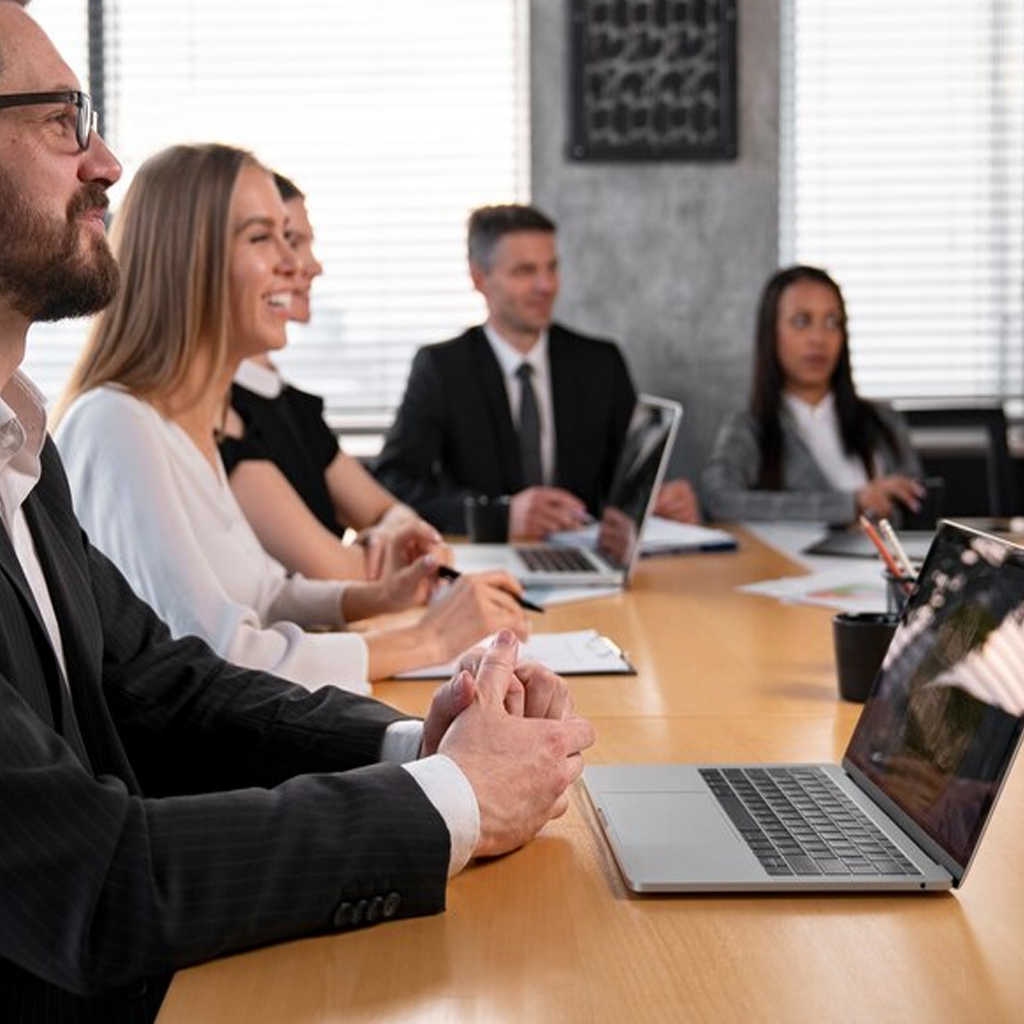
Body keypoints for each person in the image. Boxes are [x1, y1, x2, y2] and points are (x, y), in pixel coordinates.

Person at [0, 5, 595, 1020]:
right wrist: (454, 797)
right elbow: (89, 881)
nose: (106, 161)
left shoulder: (23, 446)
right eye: (63, 121)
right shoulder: (103, 428)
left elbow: (165, 685)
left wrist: (420, 741)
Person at [54, 143, 532, 689]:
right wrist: (429, 638)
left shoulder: (191, 427)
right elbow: (219, 656)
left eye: (290, 236)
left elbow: (266, 594)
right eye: (262, 238)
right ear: (188, 260)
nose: (296, 263)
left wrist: (380, 596)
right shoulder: (116, 424)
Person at [372, 203, 700, 540]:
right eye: (525, 271)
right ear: (479, 278)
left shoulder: (601, 363)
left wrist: (656, 502)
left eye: (552, 268)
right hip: (486, 561)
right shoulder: (442, 368)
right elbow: (392, 485)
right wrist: (501, 514)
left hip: (584, 555)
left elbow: (628, 483)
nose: (546, 285)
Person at [222, 172, 432, 582]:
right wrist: (390, 551)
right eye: (284, 240)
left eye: (296, 242)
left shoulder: (289, 402)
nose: (308, 265)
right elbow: (329, 574)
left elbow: (385, 511)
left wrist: (392, 532)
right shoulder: (216, 412)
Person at [700, 265, 924, 523]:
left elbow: (917, 512)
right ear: (771, 333)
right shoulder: (750, 427)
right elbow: (718, 501)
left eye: (832, 322)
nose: (819, 338)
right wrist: (851, 503)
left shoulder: (882, 419)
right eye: (802, 321)